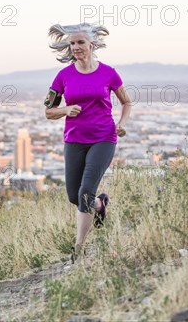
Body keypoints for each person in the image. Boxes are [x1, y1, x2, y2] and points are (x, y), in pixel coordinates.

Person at [44, 22, 132, 263]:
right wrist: (65, 110)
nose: (76, 47)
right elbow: (47, 111)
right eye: (72, 43)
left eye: (80, 42)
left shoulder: (109, 73)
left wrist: (122, 123)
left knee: (84, 193)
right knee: (75, 196)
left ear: (92, 44)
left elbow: (127, 102)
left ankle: (79, 248)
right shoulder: (63, 76)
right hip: (74, 140)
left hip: (103, 138)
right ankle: (100, 204)